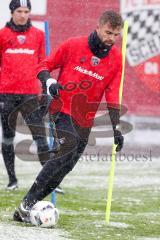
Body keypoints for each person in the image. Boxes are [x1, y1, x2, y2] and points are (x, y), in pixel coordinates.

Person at [13, 10, 124, 222]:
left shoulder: (116, 58)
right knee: (65, 152)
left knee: (68, 164)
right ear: (98, 27)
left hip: (86, 117)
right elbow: (43, 66)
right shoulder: (73, 44)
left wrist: (116, 127)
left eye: (116, 35)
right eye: (108, 32)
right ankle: (27, 203)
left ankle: (24, 210)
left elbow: (112, 93)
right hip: (61, 108)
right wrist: (49, 81)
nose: (111, 38)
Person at [0, 0, 50, 190]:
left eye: (26, 11)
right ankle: (12, 180)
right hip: (6, 94)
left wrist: (45, 92)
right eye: (19, 11)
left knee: (40, 137)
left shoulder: (39, 35)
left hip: (30, 94)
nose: (23, 14)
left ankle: (48, 180)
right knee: (7, 138)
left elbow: (43, 65)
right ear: (12, 12)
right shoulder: (2, 35)